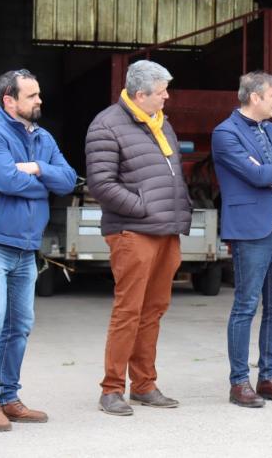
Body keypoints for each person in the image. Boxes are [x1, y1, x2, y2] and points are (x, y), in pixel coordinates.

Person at [0, 69, 76, 431]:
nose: (39, 100)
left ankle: (8, 396)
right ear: (9, 101)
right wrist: (43, 181)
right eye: (31, 96)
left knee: (20, 325)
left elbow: (69, 180)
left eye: (39, 94)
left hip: (26, 248)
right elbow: (5, 181)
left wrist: (36, 168)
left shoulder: (43, 138)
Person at [86, 60, 191, 416]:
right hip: (133, 231)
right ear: (141, 94)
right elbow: (101, 183)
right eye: (161, 91)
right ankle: (112, 389)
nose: (167, 97)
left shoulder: (162, 124)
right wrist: (143, 208)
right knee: (129, 311)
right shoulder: (107, 125)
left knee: (154, 310)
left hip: (165, 231)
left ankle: (144, 385)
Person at [212, 71, 272, 408]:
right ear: (255, 97)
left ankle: (268, 377)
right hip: (253, 232)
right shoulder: (225, 134)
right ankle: (239, 382)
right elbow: (253, 175)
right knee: (245, 306)